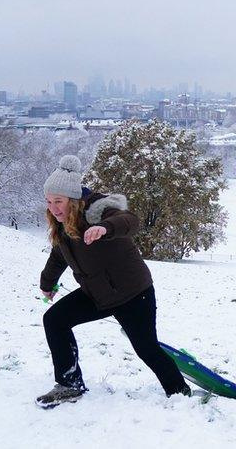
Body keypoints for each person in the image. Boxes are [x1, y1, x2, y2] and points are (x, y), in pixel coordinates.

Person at [36, 155, 191, 408]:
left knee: (146, 348)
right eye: (49, 202)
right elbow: (58, 255)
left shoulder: (98, 209)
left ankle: (180, 393)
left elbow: (129, 221)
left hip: (132, 293)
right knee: (54, 320)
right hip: (96, 294)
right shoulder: (62, 224)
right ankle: (69, 384)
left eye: (59, 201)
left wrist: (105, 228)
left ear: (73, 200)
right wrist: (47, 283)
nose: (53, 208)